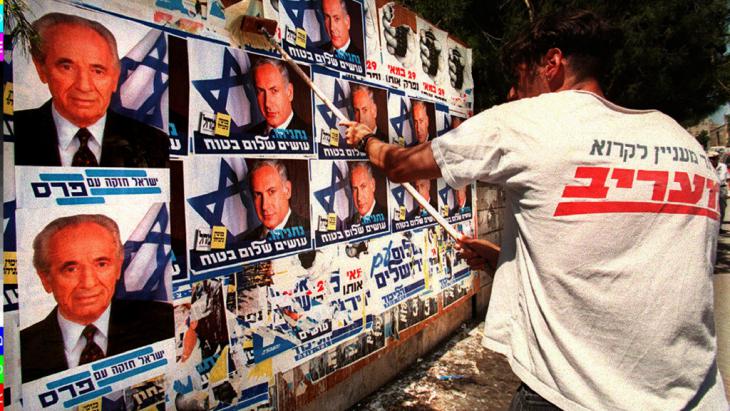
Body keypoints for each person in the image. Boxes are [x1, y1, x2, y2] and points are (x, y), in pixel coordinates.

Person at [342, 9, 728, 410]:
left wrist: (367, 138)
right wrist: (505, 261)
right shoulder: (683, 145)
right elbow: (617, 265)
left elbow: (401, 165)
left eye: (520, 79)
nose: (512, 94)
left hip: (574, 396)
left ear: (552, 63)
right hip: (697, 397)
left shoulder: (530, 121)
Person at [20, 214, 174, 383]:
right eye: (71, 269)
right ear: (45, 279)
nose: (88, 283)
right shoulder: (18, 350)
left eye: (101, 264)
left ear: (117, 268)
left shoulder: (165, 322)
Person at [14, 13, 168, 168]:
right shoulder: (13, 130)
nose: (84, 86)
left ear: (115, 78)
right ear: (41, 69)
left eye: (97, 71)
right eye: (67, 67)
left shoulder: (154, 143)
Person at [244, 160, 307, 240]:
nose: (264, 206)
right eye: (258, 194)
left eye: (271, 192)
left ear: (287, 190)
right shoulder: (246, 242)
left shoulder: (310, 234)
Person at [247, 58, 308, 135]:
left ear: (289, 92)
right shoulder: (248, 136)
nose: (267, 104)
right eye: (261, 91)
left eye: (274, 91)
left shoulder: (311, 136)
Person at [345, 162, 385, 227]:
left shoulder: (388, 217)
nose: (359, 197)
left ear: (373, 185)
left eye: (363, 186)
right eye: (355, 188)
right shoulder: (349, 224)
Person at [709, 150, 728, 224]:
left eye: (713, 158)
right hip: (710, 188)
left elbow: (722, 178)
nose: (711, 160)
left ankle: (720, 226)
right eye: (710, 158)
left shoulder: (722, 166)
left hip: (721, 188)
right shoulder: (707, 166)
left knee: (722, 208)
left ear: (717, 158)